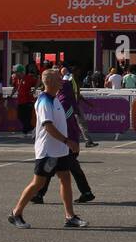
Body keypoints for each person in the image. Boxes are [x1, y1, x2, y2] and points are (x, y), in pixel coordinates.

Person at [7, 69, 88, 230]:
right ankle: (16, 213)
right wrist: (67, 141)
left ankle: (70, 216)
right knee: (38, 183)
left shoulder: (55, 98)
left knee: (65, 178)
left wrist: (68, 142)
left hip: (60, 150)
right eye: (59, 79)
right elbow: (48, 126)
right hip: (48, 151)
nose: (62, 81)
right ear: (50, 82)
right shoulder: (44, 101)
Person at [11, 64, 36, 138]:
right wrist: (12, 94)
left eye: (16, 72)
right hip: (20, 101)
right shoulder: (16, 79)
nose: (15, 74)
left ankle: (25, 132)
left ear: (21, 72)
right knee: (20, 116)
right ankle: (32, 129)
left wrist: (34, 90)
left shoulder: (28, 78)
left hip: (28, 100)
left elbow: (39, 80)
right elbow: (15, 87)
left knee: (27, 117)